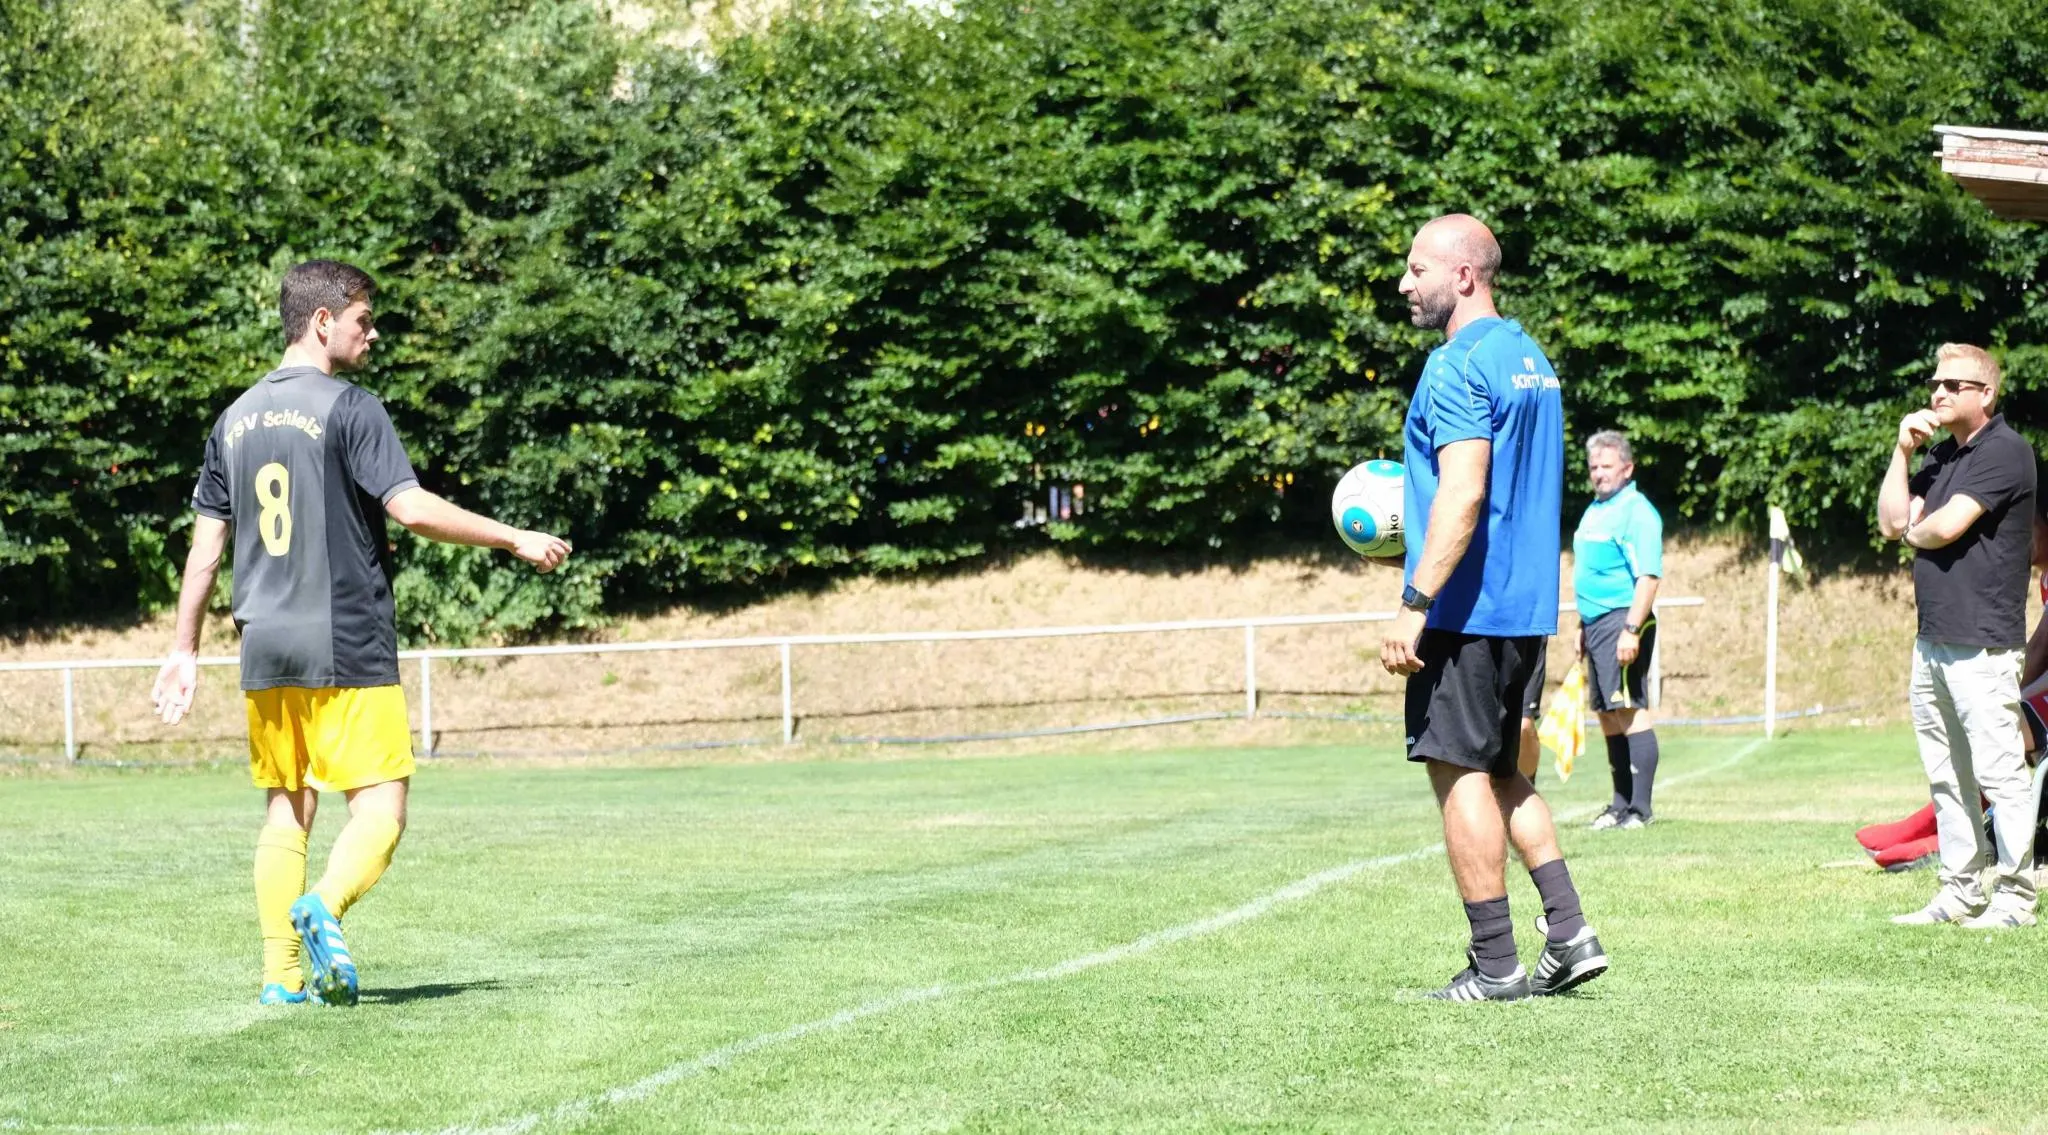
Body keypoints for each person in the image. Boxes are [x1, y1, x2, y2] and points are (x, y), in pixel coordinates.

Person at [151, 260, 572, 1005]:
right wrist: (512, 536)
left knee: (288, 807)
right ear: (323, 322)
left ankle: (281, 979)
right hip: (343, 634)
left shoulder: (232, 420)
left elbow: (205, 552)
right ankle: (326, 903)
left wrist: (183, 650)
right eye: (363, 321)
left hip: (264, 642)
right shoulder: (351, 407)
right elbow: (410, 508)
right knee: (381, 807)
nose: (372, 335)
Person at [1382, 213, 1606, 1001]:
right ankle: (1569, 932)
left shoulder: (1456, 363)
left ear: (1465, 276)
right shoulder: (1530, 358)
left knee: (1460, 777)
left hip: (1463, 613)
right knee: (1506, 774)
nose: (1405, 284)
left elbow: (1466, 491)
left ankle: (1495, 963)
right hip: (1525, 609)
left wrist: (1414, 600)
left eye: (1418, 270)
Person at [1875, 343, 2037, 929]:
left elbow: (1943, 527)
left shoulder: (2007, 451)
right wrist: (1901, 452)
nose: (1937, 393)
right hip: (1933, 641)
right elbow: (1892, 521)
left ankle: (2015, 899)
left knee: (2000, 774)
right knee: (1947, 775)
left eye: (1953, 384)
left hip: (1983, 644)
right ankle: (1960, 891)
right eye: (1935, 383)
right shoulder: (1941, 455)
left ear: (1985, 393)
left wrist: (1915, 528)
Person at [1572, 431, 1664, 830]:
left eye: (1606, 466)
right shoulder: (1595, 509)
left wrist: (1631, 628)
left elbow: (1648, 577)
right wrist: (1582, 625)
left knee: (1628, 708)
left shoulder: (1637, 511)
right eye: (1593, 467)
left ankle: (1640, 810)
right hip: (1595, 624)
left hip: (1622, 619)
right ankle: (1619, 804)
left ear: (1627, 469)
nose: (1598, 473)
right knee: (1607, 713)